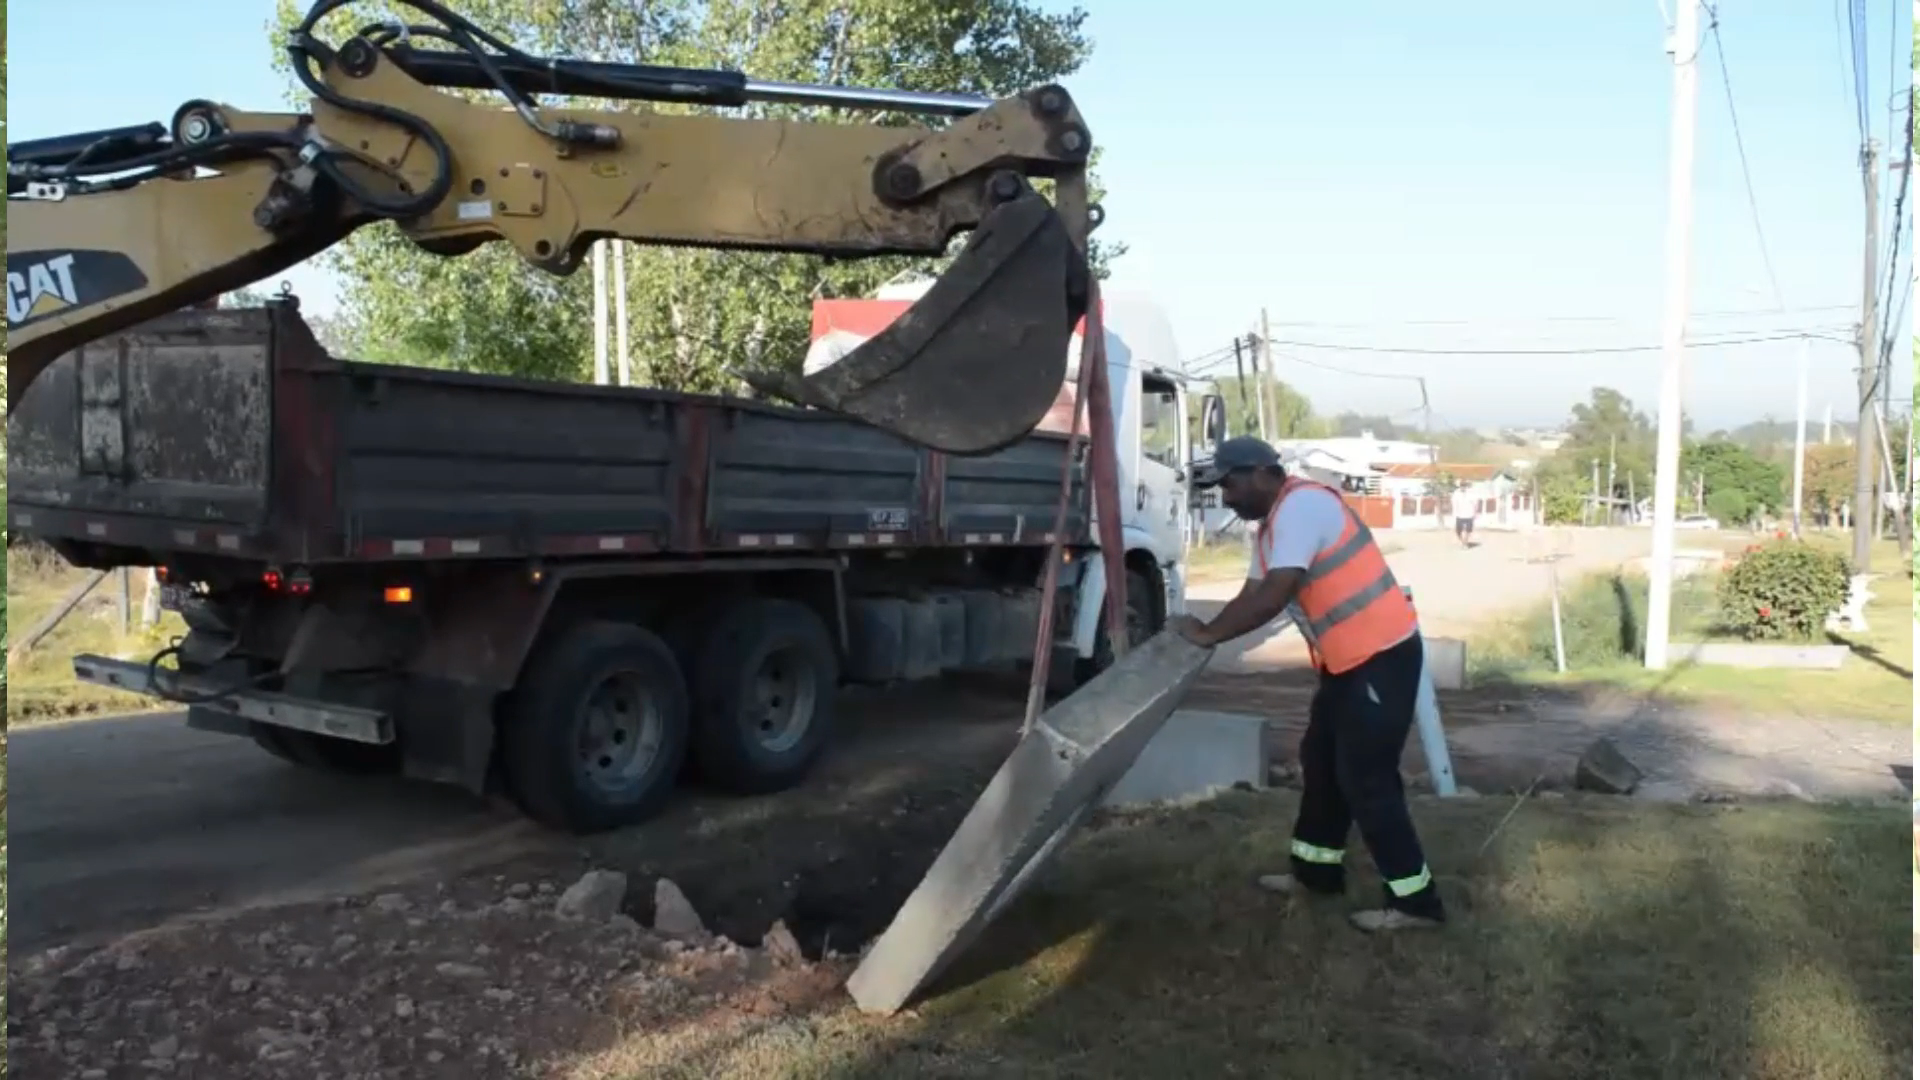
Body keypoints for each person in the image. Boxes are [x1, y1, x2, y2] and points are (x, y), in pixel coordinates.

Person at [1171, 436, 1445, 932]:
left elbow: (1274, 596)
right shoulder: (1272, 525)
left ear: (1259, 473)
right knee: (1320, 761)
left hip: (1381, 656)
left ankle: (1416, 902)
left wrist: (1209, 635)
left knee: (1367, 778)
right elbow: (1252, 592)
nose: (1226, 498)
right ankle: (1316, 874)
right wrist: (1206, 636)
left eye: (1229, 485)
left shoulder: (1302, 509)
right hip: (1348, 663)